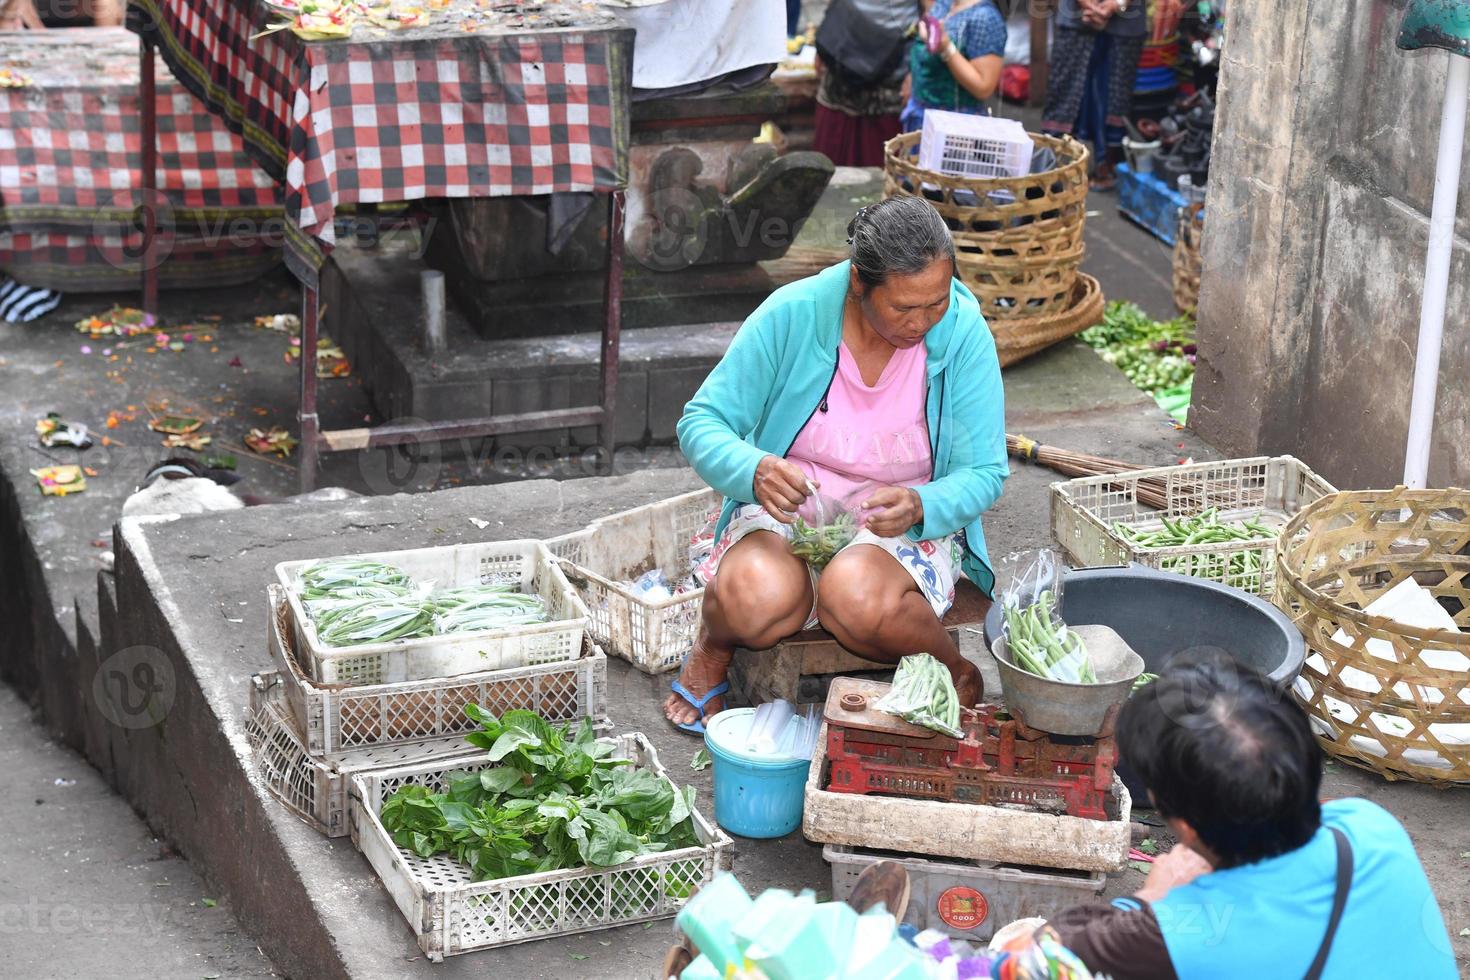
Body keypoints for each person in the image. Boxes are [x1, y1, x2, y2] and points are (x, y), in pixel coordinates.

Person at [665, 195, 1008, 732]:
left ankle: (954, 669)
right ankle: (716, 642)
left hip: (898, 524)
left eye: (935, 302)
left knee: (853, 597)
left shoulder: (961, 333)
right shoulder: (793, 313)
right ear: (858, 283)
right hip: (792, 510)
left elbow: (985, 470)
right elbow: (702, 421)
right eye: (902, 307)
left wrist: (923, 502)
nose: (921, 322)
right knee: (754, 599)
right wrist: (753, 468)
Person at [1048, 650, 1458, 979]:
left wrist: (1154, 895)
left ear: (1185, 825)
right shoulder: (1372, 827)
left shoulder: (1178, 932)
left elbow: (1021, 962)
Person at [1041, 0, 1169, 189]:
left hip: (1126, 21)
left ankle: (1105, 165)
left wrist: (1116, 4)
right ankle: (1052, 171)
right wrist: (1088, 4)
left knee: (1116, 95)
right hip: (1077, 17)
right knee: (1065, 90)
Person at [812, 0, 914, 167]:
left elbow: (933, 12)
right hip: (841, 59)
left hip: (888, 72)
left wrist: (916, 70)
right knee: (829, 172)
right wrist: (824, 40)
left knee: (881, 177)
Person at [901, 0, 1007, 133]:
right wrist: (914, 78)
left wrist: (946, 48)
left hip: (954, 131)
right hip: (921, 118)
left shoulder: (985, 18)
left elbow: (983, 87)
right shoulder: (944, 4)